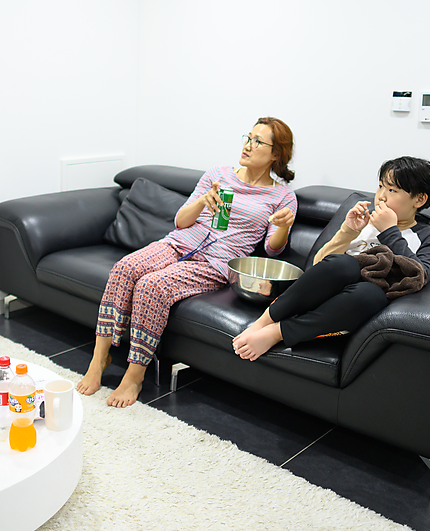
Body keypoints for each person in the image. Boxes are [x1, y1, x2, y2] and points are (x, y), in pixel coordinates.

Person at [76, 117, 300, 408]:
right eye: (248, 137)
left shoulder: (283, 196)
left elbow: (272, 250)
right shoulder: (218, 174)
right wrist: (202, 201)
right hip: (179, 243)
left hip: (215, 263)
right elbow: (181, 221)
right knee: (124, 268)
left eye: (258, 141)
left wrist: (283, 225)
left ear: (276, 154)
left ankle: (134, 375)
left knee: (152, 286)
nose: (248, 145)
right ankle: (99, 358)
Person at [232, 156, 430, 361]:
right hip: (321, 293)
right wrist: (348, 231)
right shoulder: (365, 219)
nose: (381, 196)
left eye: (392, 190)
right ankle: (263, 322)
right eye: (380, 186)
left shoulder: (429, 236)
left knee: (371, 293)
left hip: (350, 308)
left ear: (419, 199)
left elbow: (421, 276)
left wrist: (389, 231)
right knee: (345, 263)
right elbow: (319, 265)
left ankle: (277, 332)